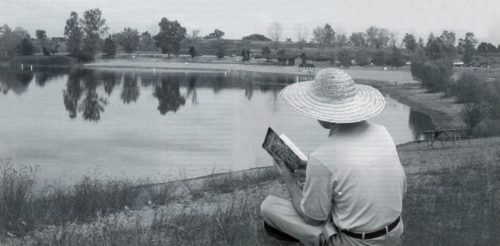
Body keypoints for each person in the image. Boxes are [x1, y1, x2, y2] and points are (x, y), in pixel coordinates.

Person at [260, 68, 406, 246]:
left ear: (326, 114)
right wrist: (312, 170)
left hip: (358, 242)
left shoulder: (323, 156)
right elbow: (399, 188)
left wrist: (288, 179)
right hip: (394, 233)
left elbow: (313, 218)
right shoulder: (382, 133)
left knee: (269, 207)